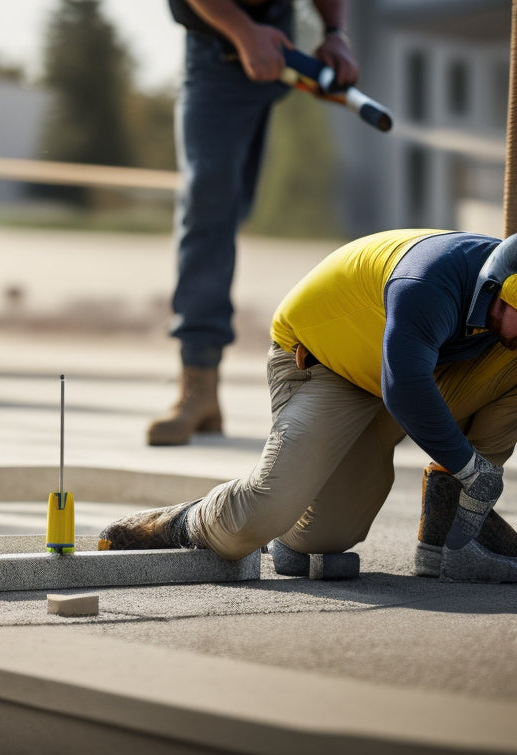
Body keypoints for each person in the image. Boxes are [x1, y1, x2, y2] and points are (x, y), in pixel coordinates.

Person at [102, 229, 517, 582]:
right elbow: (406, 387)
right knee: (261, 516)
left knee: (326, 537)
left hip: (395, 375)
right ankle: (184, 520)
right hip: (324, 366)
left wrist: (468, 475)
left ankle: (456, 530)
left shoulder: (499, 301)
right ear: (496, 289)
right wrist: (470, 466)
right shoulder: (426, 284)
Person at [148, 0, 359, 446]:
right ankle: (199, 387)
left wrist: (334, 32)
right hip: (217, 46)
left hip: (276, 41)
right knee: (208, 207)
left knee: (227, 209)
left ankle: (204, 389)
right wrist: (242, 30)